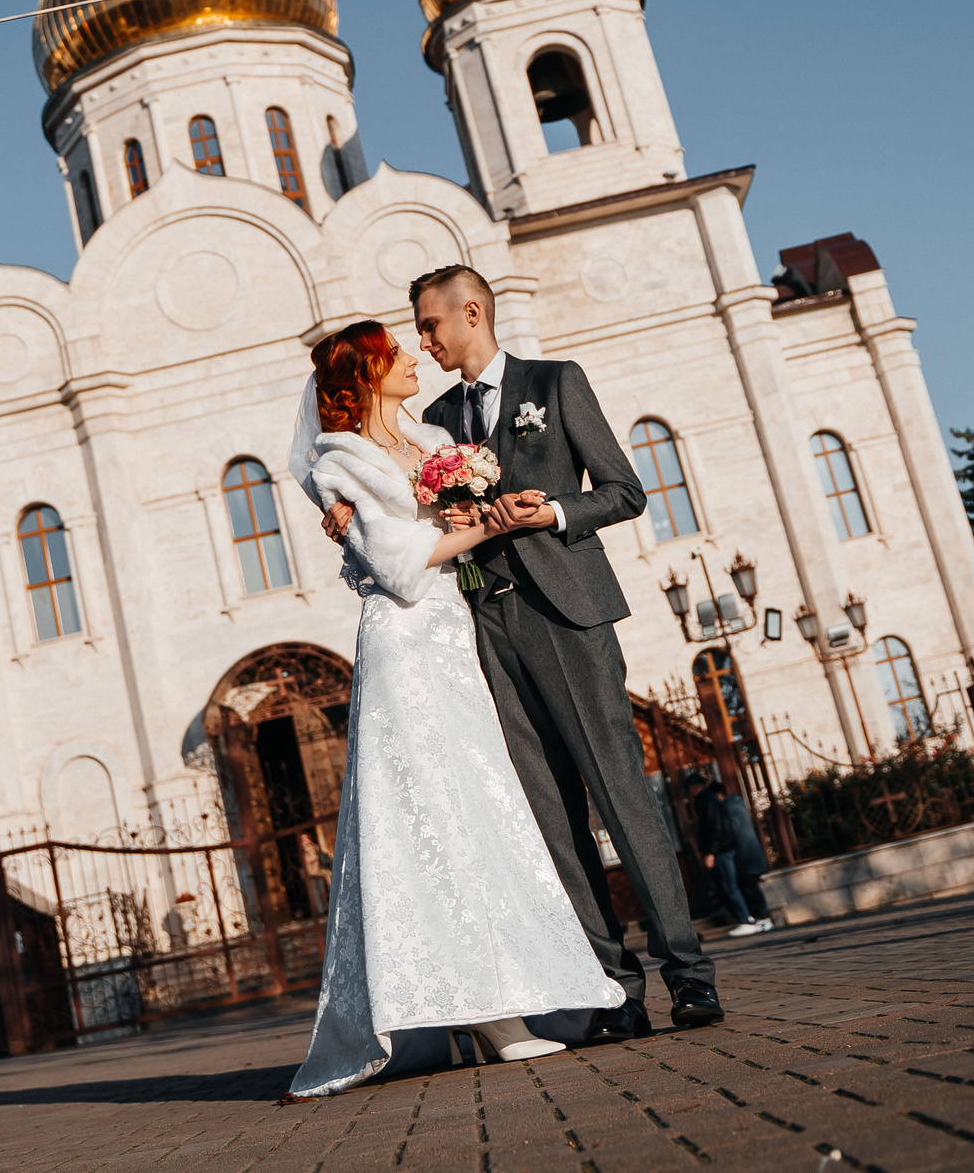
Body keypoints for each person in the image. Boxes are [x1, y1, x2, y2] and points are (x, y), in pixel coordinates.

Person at [323, 266, 719, 1040]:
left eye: (431, 326)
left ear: (472, 313)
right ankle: (613, 991)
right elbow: (395, 490)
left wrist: (555, 511)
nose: (424, 341)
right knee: (550, 817)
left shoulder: (555, 382)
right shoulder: (431, 422)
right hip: (480, 634)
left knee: (619, 797)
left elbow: (624, 490)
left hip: (566, 616)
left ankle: (690, 975)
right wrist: (342, 507)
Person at [281, 320, 623, 1100]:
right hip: (406, 643)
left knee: (481, 809)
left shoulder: (429, 436)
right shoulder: (342, 460)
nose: (411, 358)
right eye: (393, 354)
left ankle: (491, 995)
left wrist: (502, 508)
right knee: (435, 815)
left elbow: (444, 526)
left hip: (451, 634)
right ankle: (488, 1014)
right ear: (365, 375)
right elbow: (397, 564)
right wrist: (476, 526)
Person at [684, 769, 768, 938]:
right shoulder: (708, 800)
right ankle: (747, 917)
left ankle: (745, 919)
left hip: (720, 850)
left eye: (693, 786)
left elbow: (715, 827)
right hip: (722, 849)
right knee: (724, 886)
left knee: (728, 886)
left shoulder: (706, 800)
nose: (691, 790)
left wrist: (710, 852)